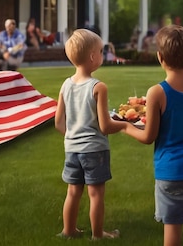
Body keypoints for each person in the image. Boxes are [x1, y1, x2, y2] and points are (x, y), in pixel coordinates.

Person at [122, 25, 183, 246]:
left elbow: (149, 136)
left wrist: (124, 128)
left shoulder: (156, 92)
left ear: (160, 57)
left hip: (172, 172)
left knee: (173, 230)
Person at [54, 28, 128, 240]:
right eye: (101, 51)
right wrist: (124, 126)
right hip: (95, 150)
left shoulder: (66, 85)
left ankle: (68, 231)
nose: (102, 55)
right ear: (93, 57)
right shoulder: (98, 87)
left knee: (73, 192)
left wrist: (73, 136)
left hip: (71, 149)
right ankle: (98, 235)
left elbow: (59, 122)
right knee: (95, 194)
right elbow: (105, 126)